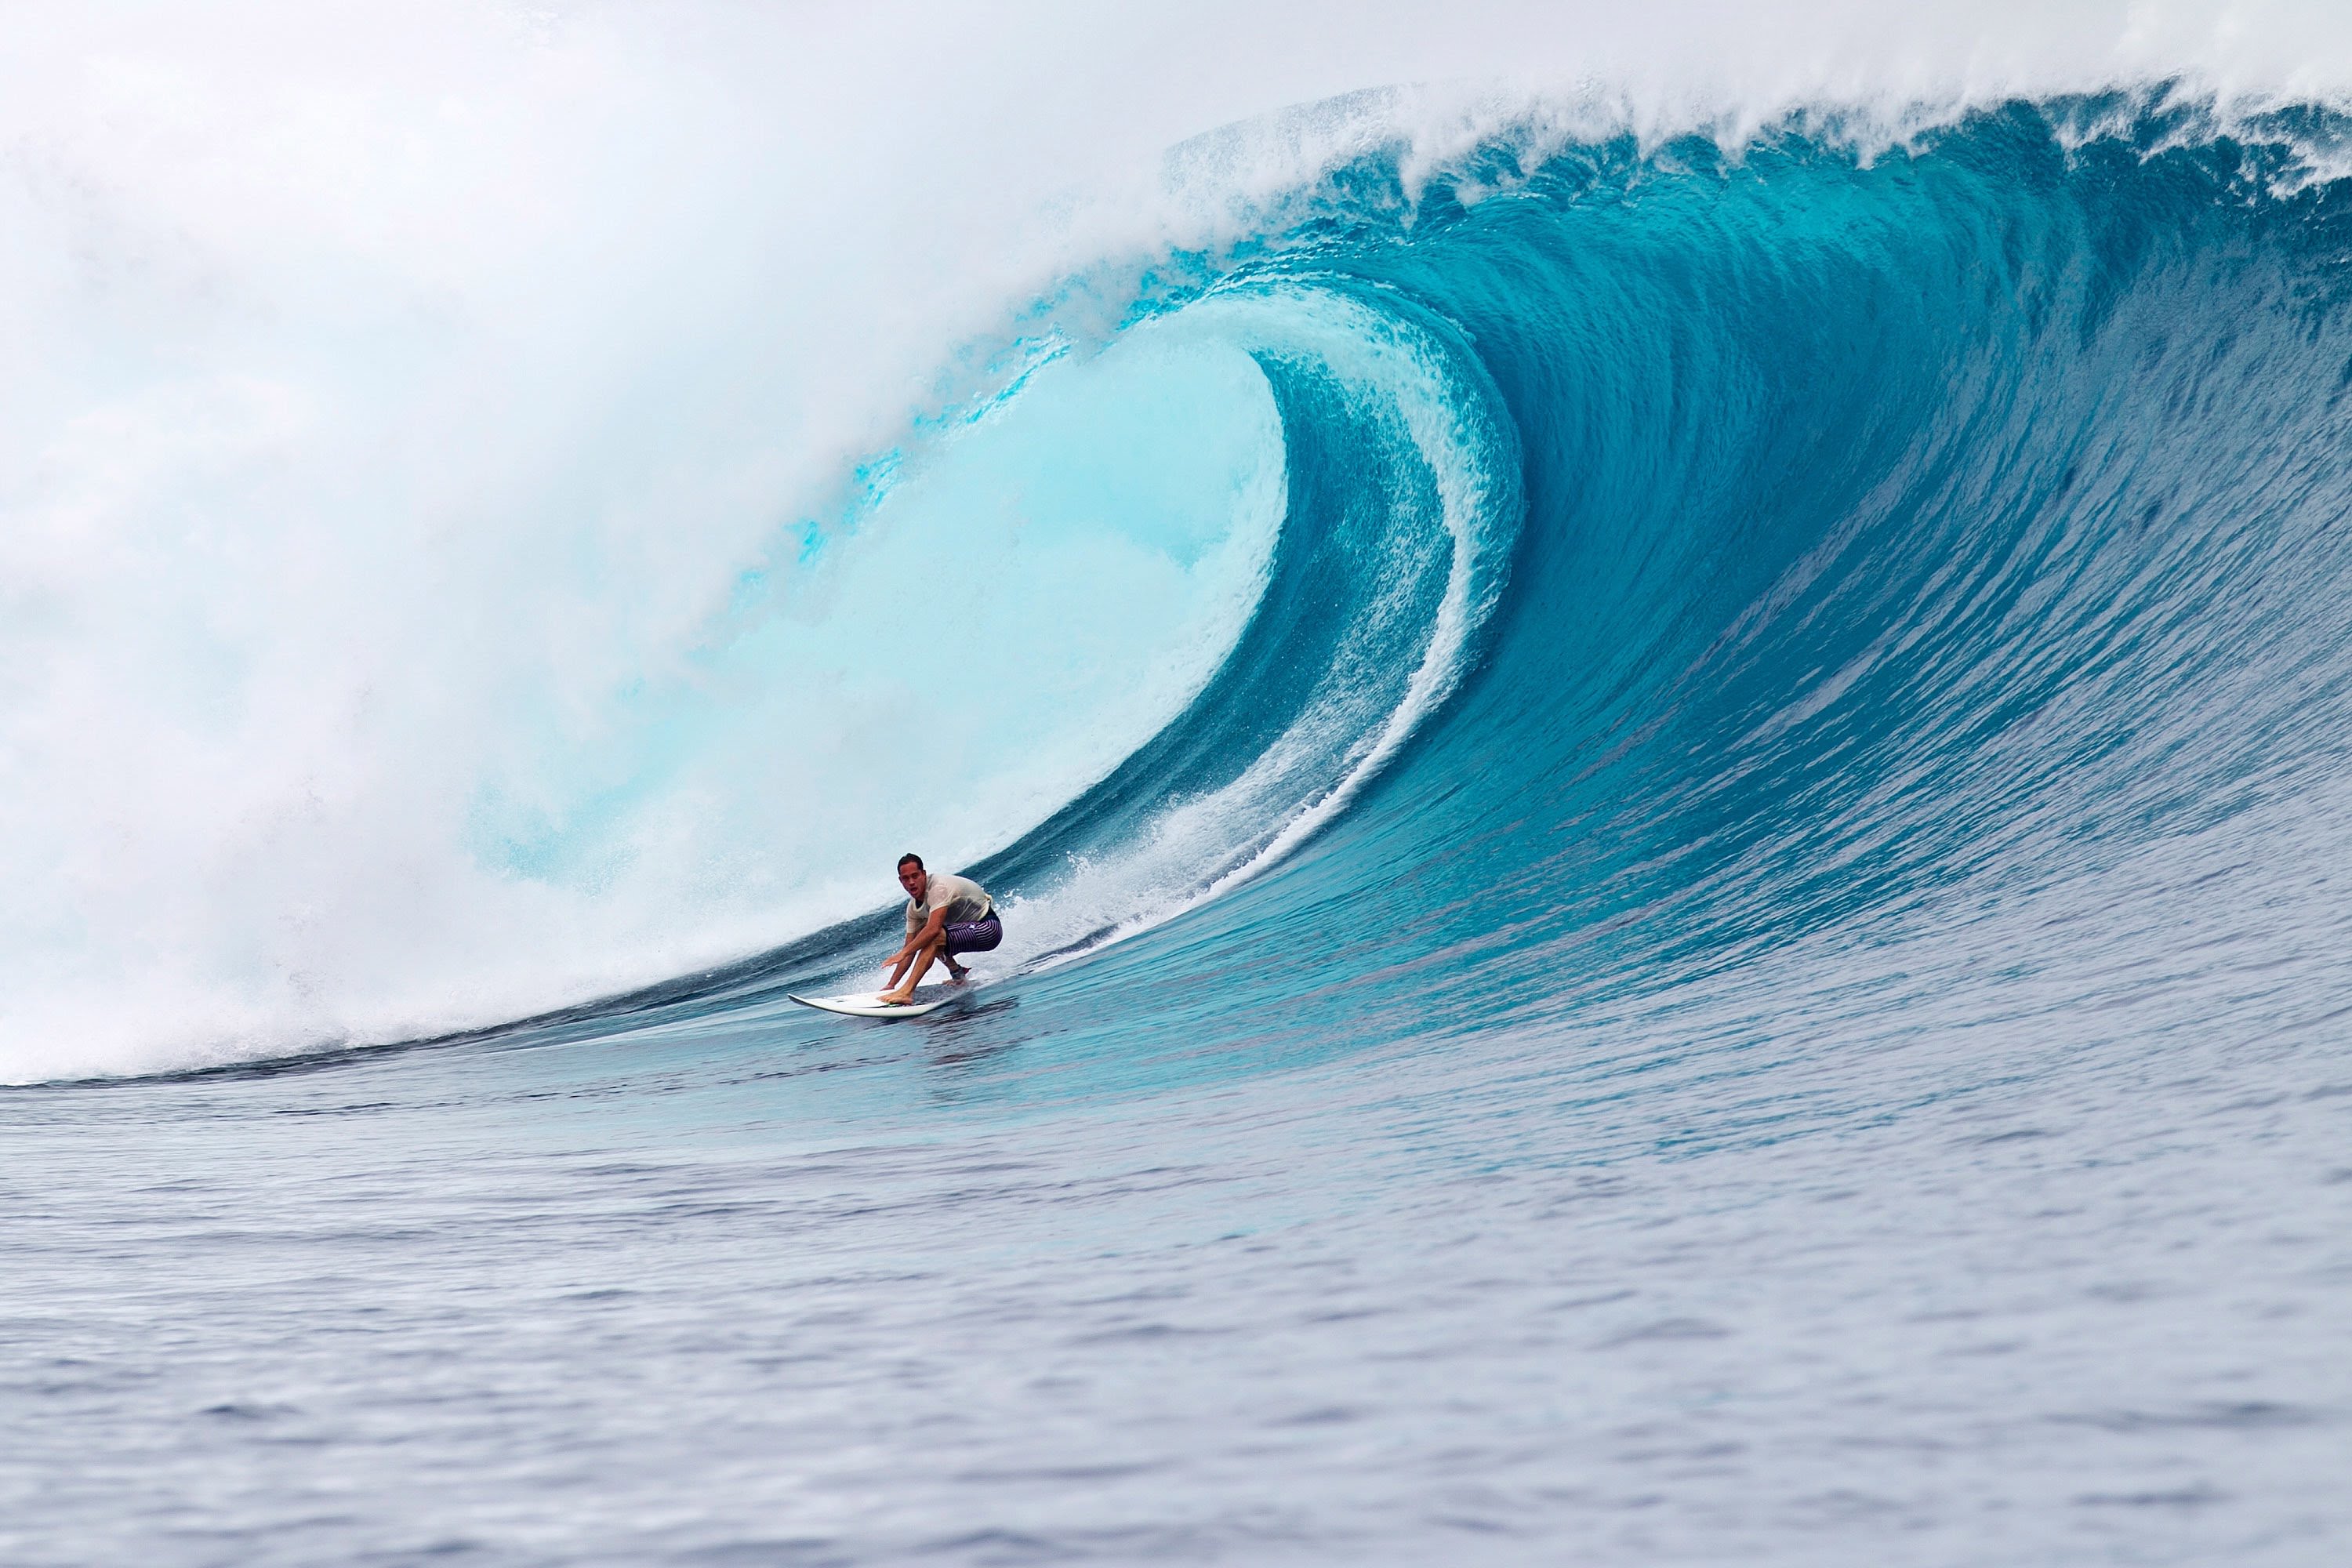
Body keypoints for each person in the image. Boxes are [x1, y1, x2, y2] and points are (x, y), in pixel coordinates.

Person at [878, 853, 1000, 1004]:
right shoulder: (913, 908)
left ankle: (906, 992)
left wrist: (903, 953)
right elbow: (910, 948)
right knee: (924, 935)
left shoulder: (937, 888)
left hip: (989, 929)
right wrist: (891, 984)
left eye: (915, 876)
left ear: (924, 874)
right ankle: (958, 975)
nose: (911, 882)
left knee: (932, 936)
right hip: (966, 930)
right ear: (900, 881)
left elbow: (934, 930)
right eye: (906, 878)